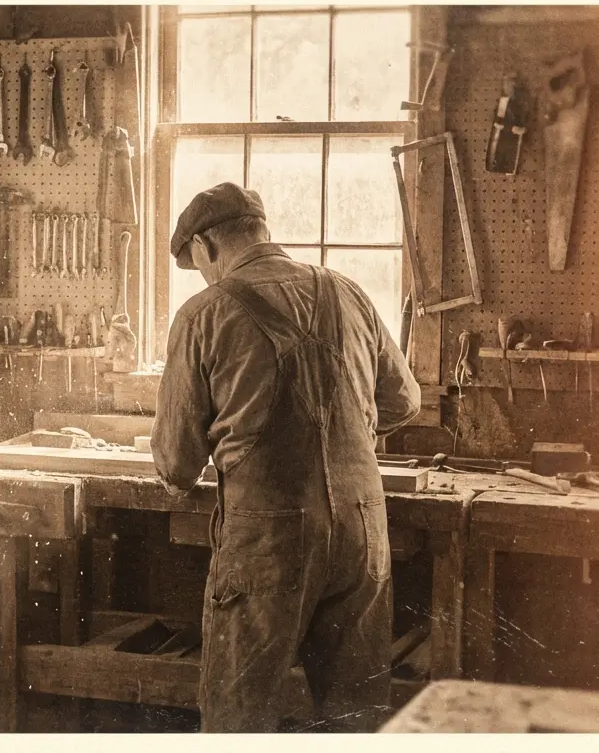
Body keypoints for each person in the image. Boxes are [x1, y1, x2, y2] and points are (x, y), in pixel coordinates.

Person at [152, 182, 421, 733]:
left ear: (205, 246)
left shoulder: (204, 313)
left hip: (267, 534)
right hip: (363, 527)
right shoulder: (348, 292)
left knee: (239, 718)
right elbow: (406, 400)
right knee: (356, 717)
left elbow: (177, 463)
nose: (203, 275)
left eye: (198, 263)